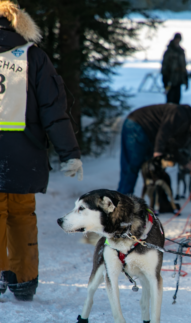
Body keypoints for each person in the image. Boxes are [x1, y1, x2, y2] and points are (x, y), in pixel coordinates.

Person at [0, 0, 82, 301]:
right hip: (25, 155)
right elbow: (53, 109)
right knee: (21, 215)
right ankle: (24, 281)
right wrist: (69, 152)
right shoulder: (33, 57)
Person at [117, 104, 191, 195]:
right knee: (131, 167)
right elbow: (164, 132)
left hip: (150, 138)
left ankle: (151, 204)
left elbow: (172, 148)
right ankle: (121, 201)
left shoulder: (185, 133)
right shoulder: (180, 113)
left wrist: (186, 163)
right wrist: (158, 153)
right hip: (137, 125)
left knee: (151, 172)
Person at [161, 33, 188, 104]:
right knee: (170, 99)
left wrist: (185, 78)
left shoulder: (181, 51)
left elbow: (183, 66)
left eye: (179, 39)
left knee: (177, 99)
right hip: (170, 78)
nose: (177, 41)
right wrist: (165, 77)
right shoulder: (169, 51)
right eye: (176, 39)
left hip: (178, 79)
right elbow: (164, 65)